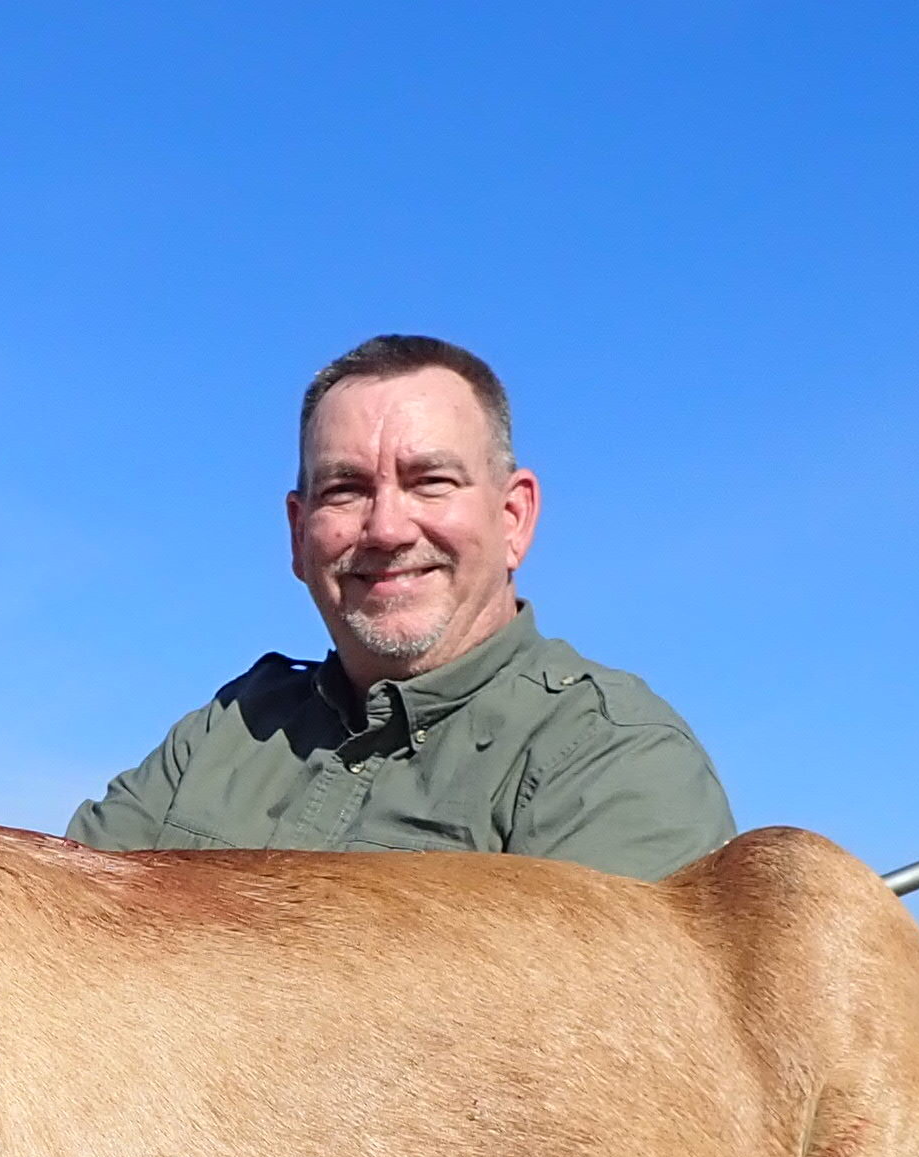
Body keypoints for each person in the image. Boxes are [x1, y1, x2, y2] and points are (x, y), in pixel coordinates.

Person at [67, 334, 734, 882]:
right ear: (298, 536)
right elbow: (51, 935)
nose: (386, 529)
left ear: (514, 517)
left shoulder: (610, 760)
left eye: (430, 483)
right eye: (346, 489)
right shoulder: (228, 733)